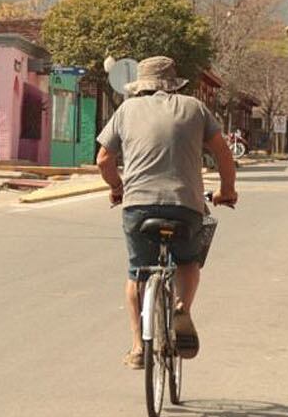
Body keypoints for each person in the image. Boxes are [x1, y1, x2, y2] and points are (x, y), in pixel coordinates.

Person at [96, 56, 238, 370]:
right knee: (188, 261)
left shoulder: (126, 110)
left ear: (140, 86)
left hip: (138, 205)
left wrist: (118, 187)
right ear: (174, 83)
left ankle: (136, 347)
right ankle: (180, 306)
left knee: (138, 273)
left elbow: (104, 159)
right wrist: (227, 190)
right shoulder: (195, 108)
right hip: (186, 205)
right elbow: (223, 153)